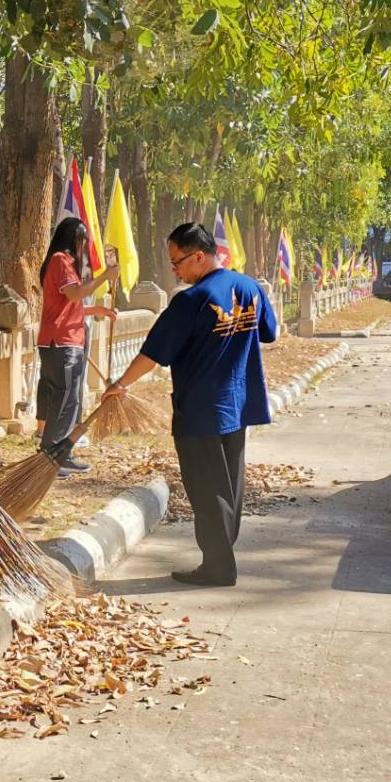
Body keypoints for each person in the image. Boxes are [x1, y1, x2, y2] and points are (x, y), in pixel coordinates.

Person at [101, 222, 277, 587]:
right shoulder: (250, 288)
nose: (174, 270)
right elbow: (269, 332)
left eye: (177, 262)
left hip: (200, 408)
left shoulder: (191, 299)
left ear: (198, 256)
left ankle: (218, 567)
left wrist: (120, 384)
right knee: (229, 484)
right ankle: (221, 556)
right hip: (239, 403)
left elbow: (153, 354)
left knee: (206, 487)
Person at [36, 218, 118, 475]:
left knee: (68, 400)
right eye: (84, 241)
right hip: (62, 342)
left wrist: (98, 310)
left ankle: (63, 453)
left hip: (63, 341)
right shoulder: (60, 260)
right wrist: (105, 276)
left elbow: (69, 305)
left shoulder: (61, 263)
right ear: (75, 239)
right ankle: (50, 455)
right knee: (64, 400)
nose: (85, 247)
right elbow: (75, 294)